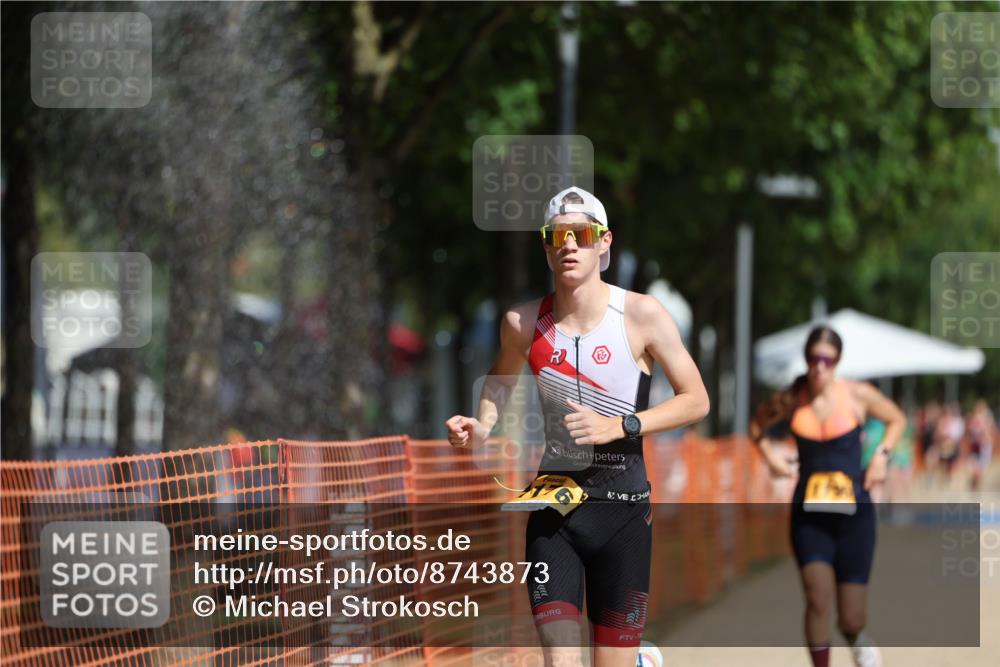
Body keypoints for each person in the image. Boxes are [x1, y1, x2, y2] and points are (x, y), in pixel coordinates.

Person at [445, 186, 709, 667]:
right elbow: (501, 382)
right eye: (556, 235)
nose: (568, 244)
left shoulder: (642, 315)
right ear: (546, 245)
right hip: (554, 514)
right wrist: (483, 426)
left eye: (581, 234)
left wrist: (622, 424)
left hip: (624, 516)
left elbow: (696, 401)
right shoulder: (523, 322)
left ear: (603, 243)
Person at [749, 326, 906, 667]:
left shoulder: (858, 395)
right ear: (805, 360)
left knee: (851, 618)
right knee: (818, 599)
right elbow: (757, 426)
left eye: (827, 360)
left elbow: (897, 419)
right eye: (812, 359)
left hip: (855, 519)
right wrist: (771, 458)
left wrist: (881, 455)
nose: (819, 367)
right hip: (810, 517)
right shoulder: (792, 397)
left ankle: (857, 638)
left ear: (837, 361)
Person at [966, 400, 996, 491]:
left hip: (984, 447)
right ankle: (975, 485)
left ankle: (977, 486)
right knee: (974, 467)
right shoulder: (974, 419)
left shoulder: (987, 419)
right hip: (976, 446)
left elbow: (990, 433)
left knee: (980, 468)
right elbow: (970, 432)